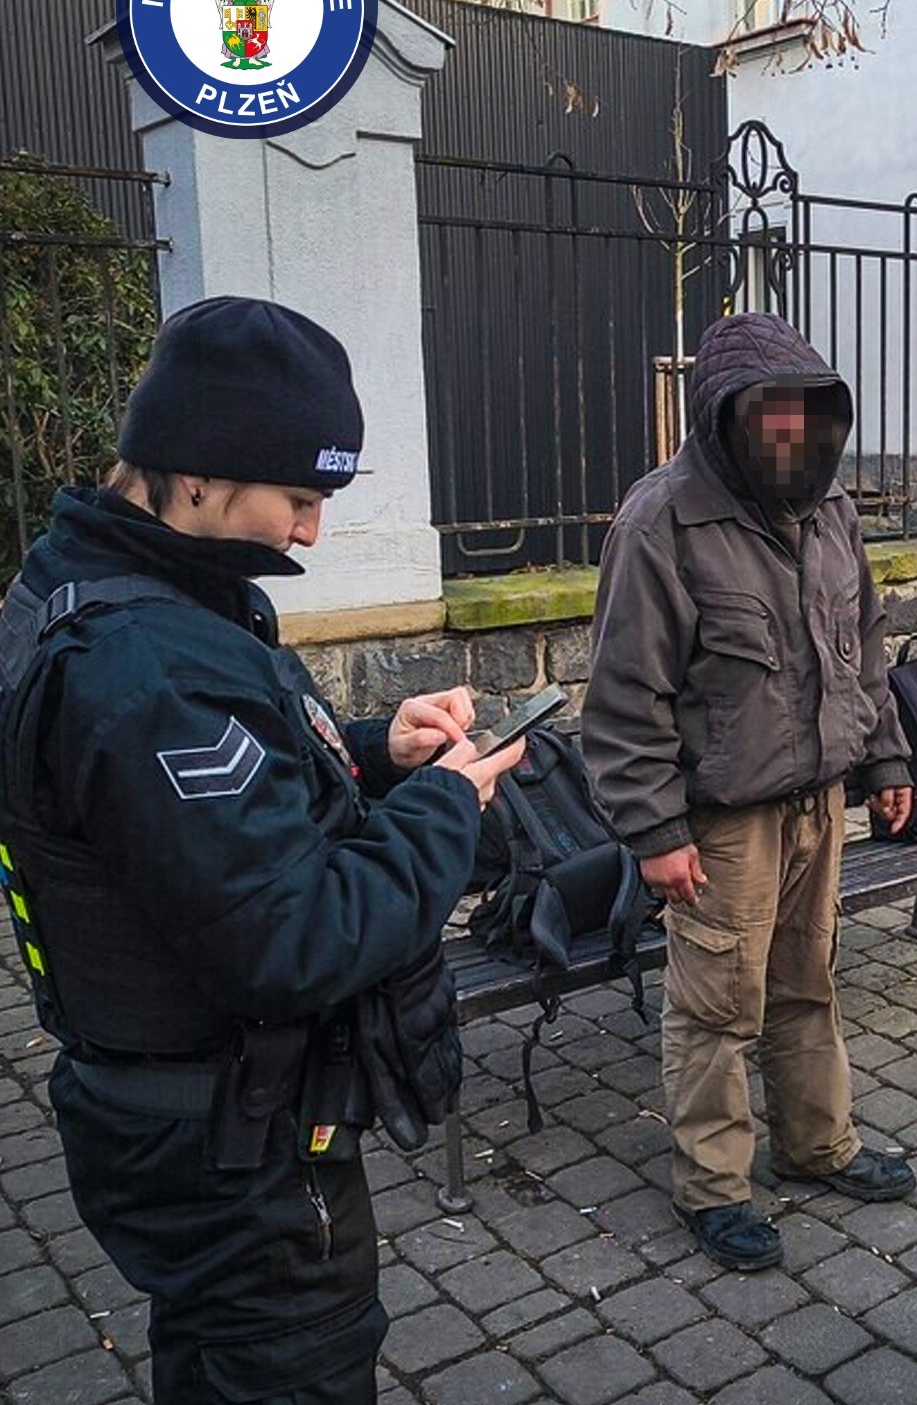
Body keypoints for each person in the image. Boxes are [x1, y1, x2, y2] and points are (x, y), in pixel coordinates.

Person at [0, 297, 524, 1405]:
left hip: (182, 1121)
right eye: (299, 498)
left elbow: (209, 814)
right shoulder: (144, 666)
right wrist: (445, 807)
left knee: (216, 1363)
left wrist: (376, 750)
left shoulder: (116, 589)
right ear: (196, 471)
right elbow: (291, 938)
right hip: (234, 1145)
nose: (312, 533)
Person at [583, 311, 916, 1273]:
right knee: (717, 1011)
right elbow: (625, 696)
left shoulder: (833, 509)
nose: (791, 433)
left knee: (807, 985)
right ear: (725, 416)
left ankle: (819, 1146)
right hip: (720, 824)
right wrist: (655, 831)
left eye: (808, 413)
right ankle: (715, 1189)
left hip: (819, 801)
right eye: (771, 413)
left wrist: (887, 762)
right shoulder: (661, 520)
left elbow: (864, 646)